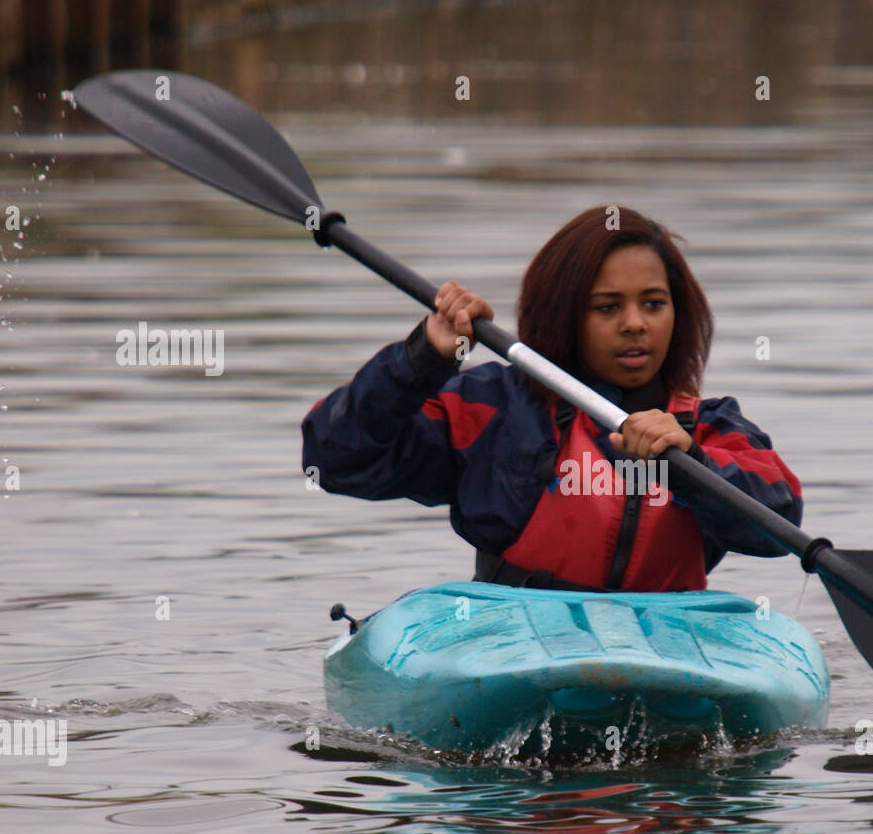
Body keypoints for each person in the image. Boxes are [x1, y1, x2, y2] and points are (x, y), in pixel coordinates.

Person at [301, 205, 802, 592]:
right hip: (513, 641)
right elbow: (334, 458)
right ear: (564, 317)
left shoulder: (709, 428)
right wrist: (420, 359)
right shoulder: (492, 410)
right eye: (607, 307)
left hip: (665, 647)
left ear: (678, 313)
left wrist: (695, 465)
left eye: (653, 304)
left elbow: (782, 522)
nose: (635, 323)